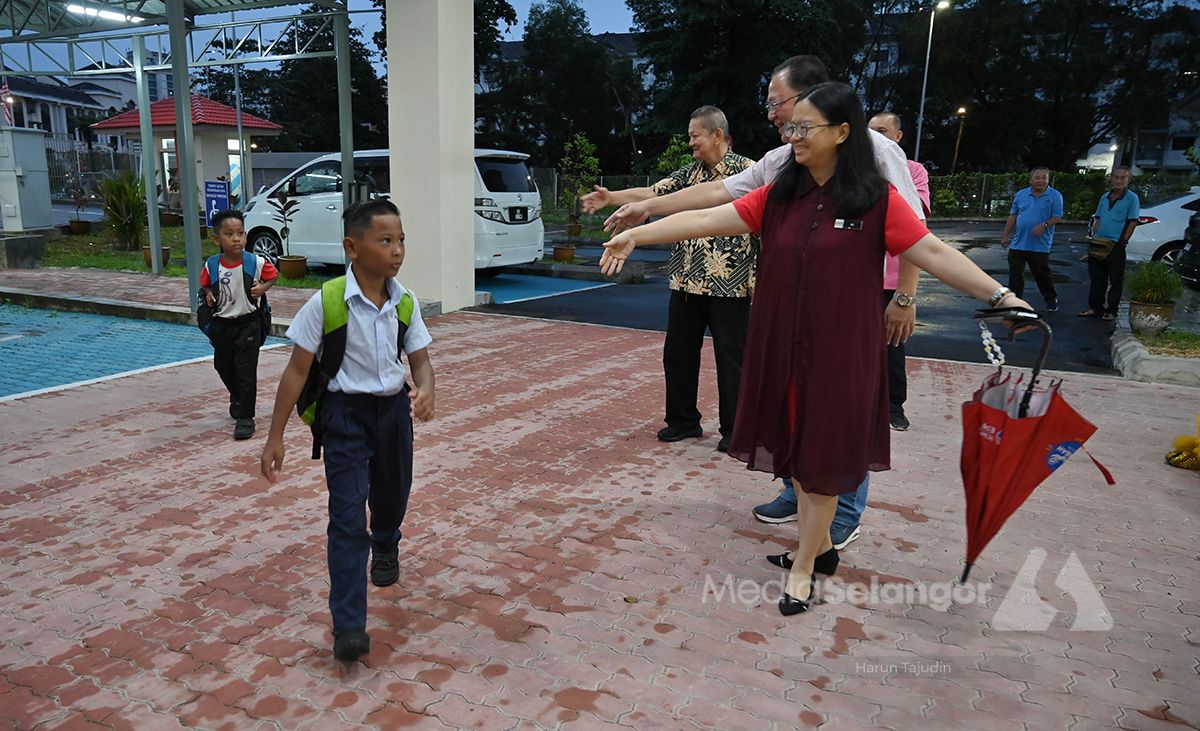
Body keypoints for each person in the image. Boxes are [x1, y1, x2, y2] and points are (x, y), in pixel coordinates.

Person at [599, 82, 1033, 616]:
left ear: (842, 132)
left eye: (804, 128)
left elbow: (934, 250)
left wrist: (1003, 296)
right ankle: (820, 547)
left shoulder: (875, 199)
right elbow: (712, 217)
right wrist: (638, 234)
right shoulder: (783, 193)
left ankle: (805, 565)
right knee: (799, 457)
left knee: (823, 458)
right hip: (781, 344)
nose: (792, 136)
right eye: (789, 127)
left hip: (840, 351)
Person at [603, 55, 924, 541]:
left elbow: (914, 231)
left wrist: (905, 296)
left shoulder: (876, 152)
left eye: (777, 103)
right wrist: (645, 210)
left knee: (840, 410)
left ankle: (842, 515)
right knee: (793, 398)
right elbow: (716, 201)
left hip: (851, 304)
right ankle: (798, 493)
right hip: (791, 305)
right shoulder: (783, 160)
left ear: (812, 101)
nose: (771, 114)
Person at [259, 198, 435, 662]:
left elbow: (420, 359)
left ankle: (388, 542)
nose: (397, 250)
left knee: (393, 496)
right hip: (344, 419)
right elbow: (297, 371)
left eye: (400, 240)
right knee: (346, 518)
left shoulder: (405, 301)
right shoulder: (327, 300)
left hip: (393, 416)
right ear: (352, 248)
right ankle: (349, 626)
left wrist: (426, 389)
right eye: (385, 240)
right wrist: (275, 435)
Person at [581, 106, 756, 451]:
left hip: (731, 286)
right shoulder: (688, 174)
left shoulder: (747, 171)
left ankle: (735, 430)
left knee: (732, 358)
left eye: (695, 136)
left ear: (717, 135)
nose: (691, 142)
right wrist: (612, 197)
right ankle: (682, 421)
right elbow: (653, 195)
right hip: (686, 282)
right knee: (677, 354)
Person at [862, 111, 931, 434]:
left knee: (892, 345)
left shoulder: (912, 171)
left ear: (899, 137)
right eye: (870, 131)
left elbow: (915, 223)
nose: (876, 137)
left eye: (883, 131)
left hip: (892, 277)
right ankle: (863, 401)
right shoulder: (856, 171)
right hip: (857, 276)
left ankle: (893, 406)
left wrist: (907, 295)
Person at [200, 209, 278, 440]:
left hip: (248, 323)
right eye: (229, 234)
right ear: (217, 239)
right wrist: (207, 294)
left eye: (240, 233)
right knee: (223, 366)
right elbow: (204, 284)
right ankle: (237, 396)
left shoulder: (255, 262)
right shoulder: (212, 265)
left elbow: (273, 275)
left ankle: (246, 418)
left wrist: (263, 288)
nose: (236, 239)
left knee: (245, 371)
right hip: (222, 324)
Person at [1078, 166, 1139, 321]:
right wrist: (1093, 238)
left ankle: (1112, 311)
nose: (1118, 180)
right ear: (1111, 178)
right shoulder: (1104, 197)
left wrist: (1123, 242)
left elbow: (1133, 221)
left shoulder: (1132, 198)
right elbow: (1097, 218)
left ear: (1128, 180)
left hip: (1116, 245)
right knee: (1097, 278)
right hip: (1099, 242)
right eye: (1116, 177)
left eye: (1122, 178)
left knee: (1115, 280)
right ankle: (1095, 308)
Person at [1001, 167, 1063, 312]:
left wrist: (1045, 225)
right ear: (1031, 180)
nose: (1040, 181)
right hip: (1018, 243)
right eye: (1037, 177)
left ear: (1048, 179)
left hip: (1040, 245)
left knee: (1041, 274)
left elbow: (1057, 216)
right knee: (1015, 275)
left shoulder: (1055, 196)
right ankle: (1015, 302)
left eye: (1044, 178)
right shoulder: (1021, 195)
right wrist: (1005, 235)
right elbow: (1013, 216)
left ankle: (1050, 298)